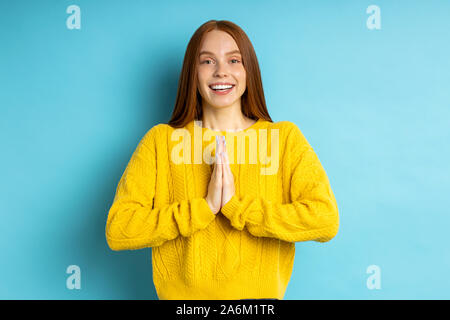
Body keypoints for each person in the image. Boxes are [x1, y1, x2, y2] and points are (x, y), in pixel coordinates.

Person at [105, 20, 339, 300]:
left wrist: (237, 208)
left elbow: (325, 219)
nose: (221, 72)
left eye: (234, 60)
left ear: (248, 69)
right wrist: (203, 209)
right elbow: (119, 229)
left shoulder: (283, 138)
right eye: (207, 61)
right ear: (192, 72)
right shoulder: (161, 141)